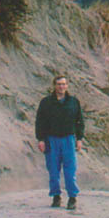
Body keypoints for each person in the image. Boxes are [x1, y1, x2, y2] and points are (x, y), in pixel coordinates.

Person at [35, 75, 84, 209]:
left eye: (63, 84)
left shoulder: (73, 102)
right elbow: (40, 121)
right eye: (58, 84)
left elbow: (79, 121)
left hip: (68, 139)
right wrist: (41, 139)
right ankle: (56, 197)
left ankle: (72, 198)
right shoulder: (46, 102)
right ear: (54, 86)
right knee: (53, 170)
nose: (61, 87)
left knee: (70, 170)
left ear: (67, 86)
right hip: (51, 139)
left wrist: (79, 139)